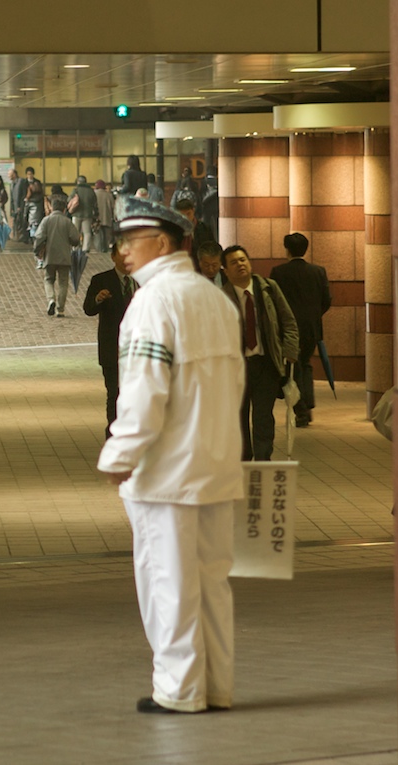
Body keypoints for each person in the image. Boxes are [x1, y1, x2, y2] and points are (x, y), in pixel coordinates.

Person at [96, 196, 245, 716]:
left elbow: (144, 389)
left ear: (161, 243)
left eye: (129, 241)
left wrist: (121, 452)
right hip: (216, 464)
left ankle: (179, 689)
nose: (122, 251)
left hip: (167, 472)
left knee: (169, 582)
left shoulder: (152, 302)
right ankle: (216, 686)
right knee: (211, 583)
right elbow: (234, 384)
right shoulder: (215, 300)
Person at [221, 245, 299, 461]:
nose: (240, 265)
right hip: (236, 368)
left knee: (263, 416)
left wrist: (290, 350)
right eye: (233, 262)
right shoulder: (220, 298)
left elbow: (289, 321)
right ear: (225, 270)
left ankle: (263, 461)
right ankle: (244, 460)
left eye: (243, 260)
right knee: (239, 417)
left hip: (266, 364)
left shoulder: (268, 289)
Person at [270, 232, 331, 427]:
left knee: (292, 367)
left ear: (287, 250)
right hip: (311, 328)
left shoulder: (279, 272)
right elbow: (326, 300)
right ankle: (307, 404)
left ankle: (301, 409)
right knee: (305, 363)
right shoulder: (318, 271)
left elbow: (273, 301)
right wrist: (314, 316)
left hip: (289, 329)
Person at [83, 233, 137, 438]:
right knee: (114, 393)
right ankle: (114, 435)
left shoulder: (143, 280)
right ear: (113, 256)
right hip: (112, 349)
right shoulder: (101, 280)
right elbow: (88, 309)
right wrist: (98, 299)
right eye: (121, 254)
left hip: (139, 351)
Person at [33, 194, 80, 317]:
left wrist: (37, 251)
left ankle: (51, 299)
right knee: (63, 282)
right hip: (64, 257)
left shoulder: (46, 220)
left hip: (50, 256)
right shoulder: (67, 222)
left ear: (52, 208)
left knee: (48, 279)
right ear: (64, 209)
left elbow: (39, 237)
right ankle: (60, 309)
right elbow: (75, 239)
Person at [173, 196, 213, 271]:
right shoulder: (174, 230)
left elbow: (210, 248)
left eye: (188, 214)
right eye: (182, 215)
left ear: (193, 211)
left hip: (200, 267)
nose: (186, 218)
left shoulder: (204, 228)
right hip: (179, 267)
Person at [69, 175, 98, 256]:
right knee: (87, 232)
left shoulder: (75, 190)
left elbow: (69, 200)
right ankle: (85, 249)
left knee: (75, 232)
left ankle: (75, 248)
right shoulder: (91, 191)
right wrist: (95, 213)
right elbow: (95, 203)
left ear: (78, 182)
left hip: (76, 214)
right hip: (88, 214)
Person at [23, 167, 45, 239]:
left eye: (31, 174)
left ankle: (33, 236)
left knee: (34, 221)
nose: (30, 176)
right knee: (27, 220)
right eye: (28, 174)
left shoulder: (37, 182)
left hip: (35, 204)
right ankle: (28, 237)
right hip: (27, 204)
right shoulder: (24, 183)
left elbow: (41, 193)